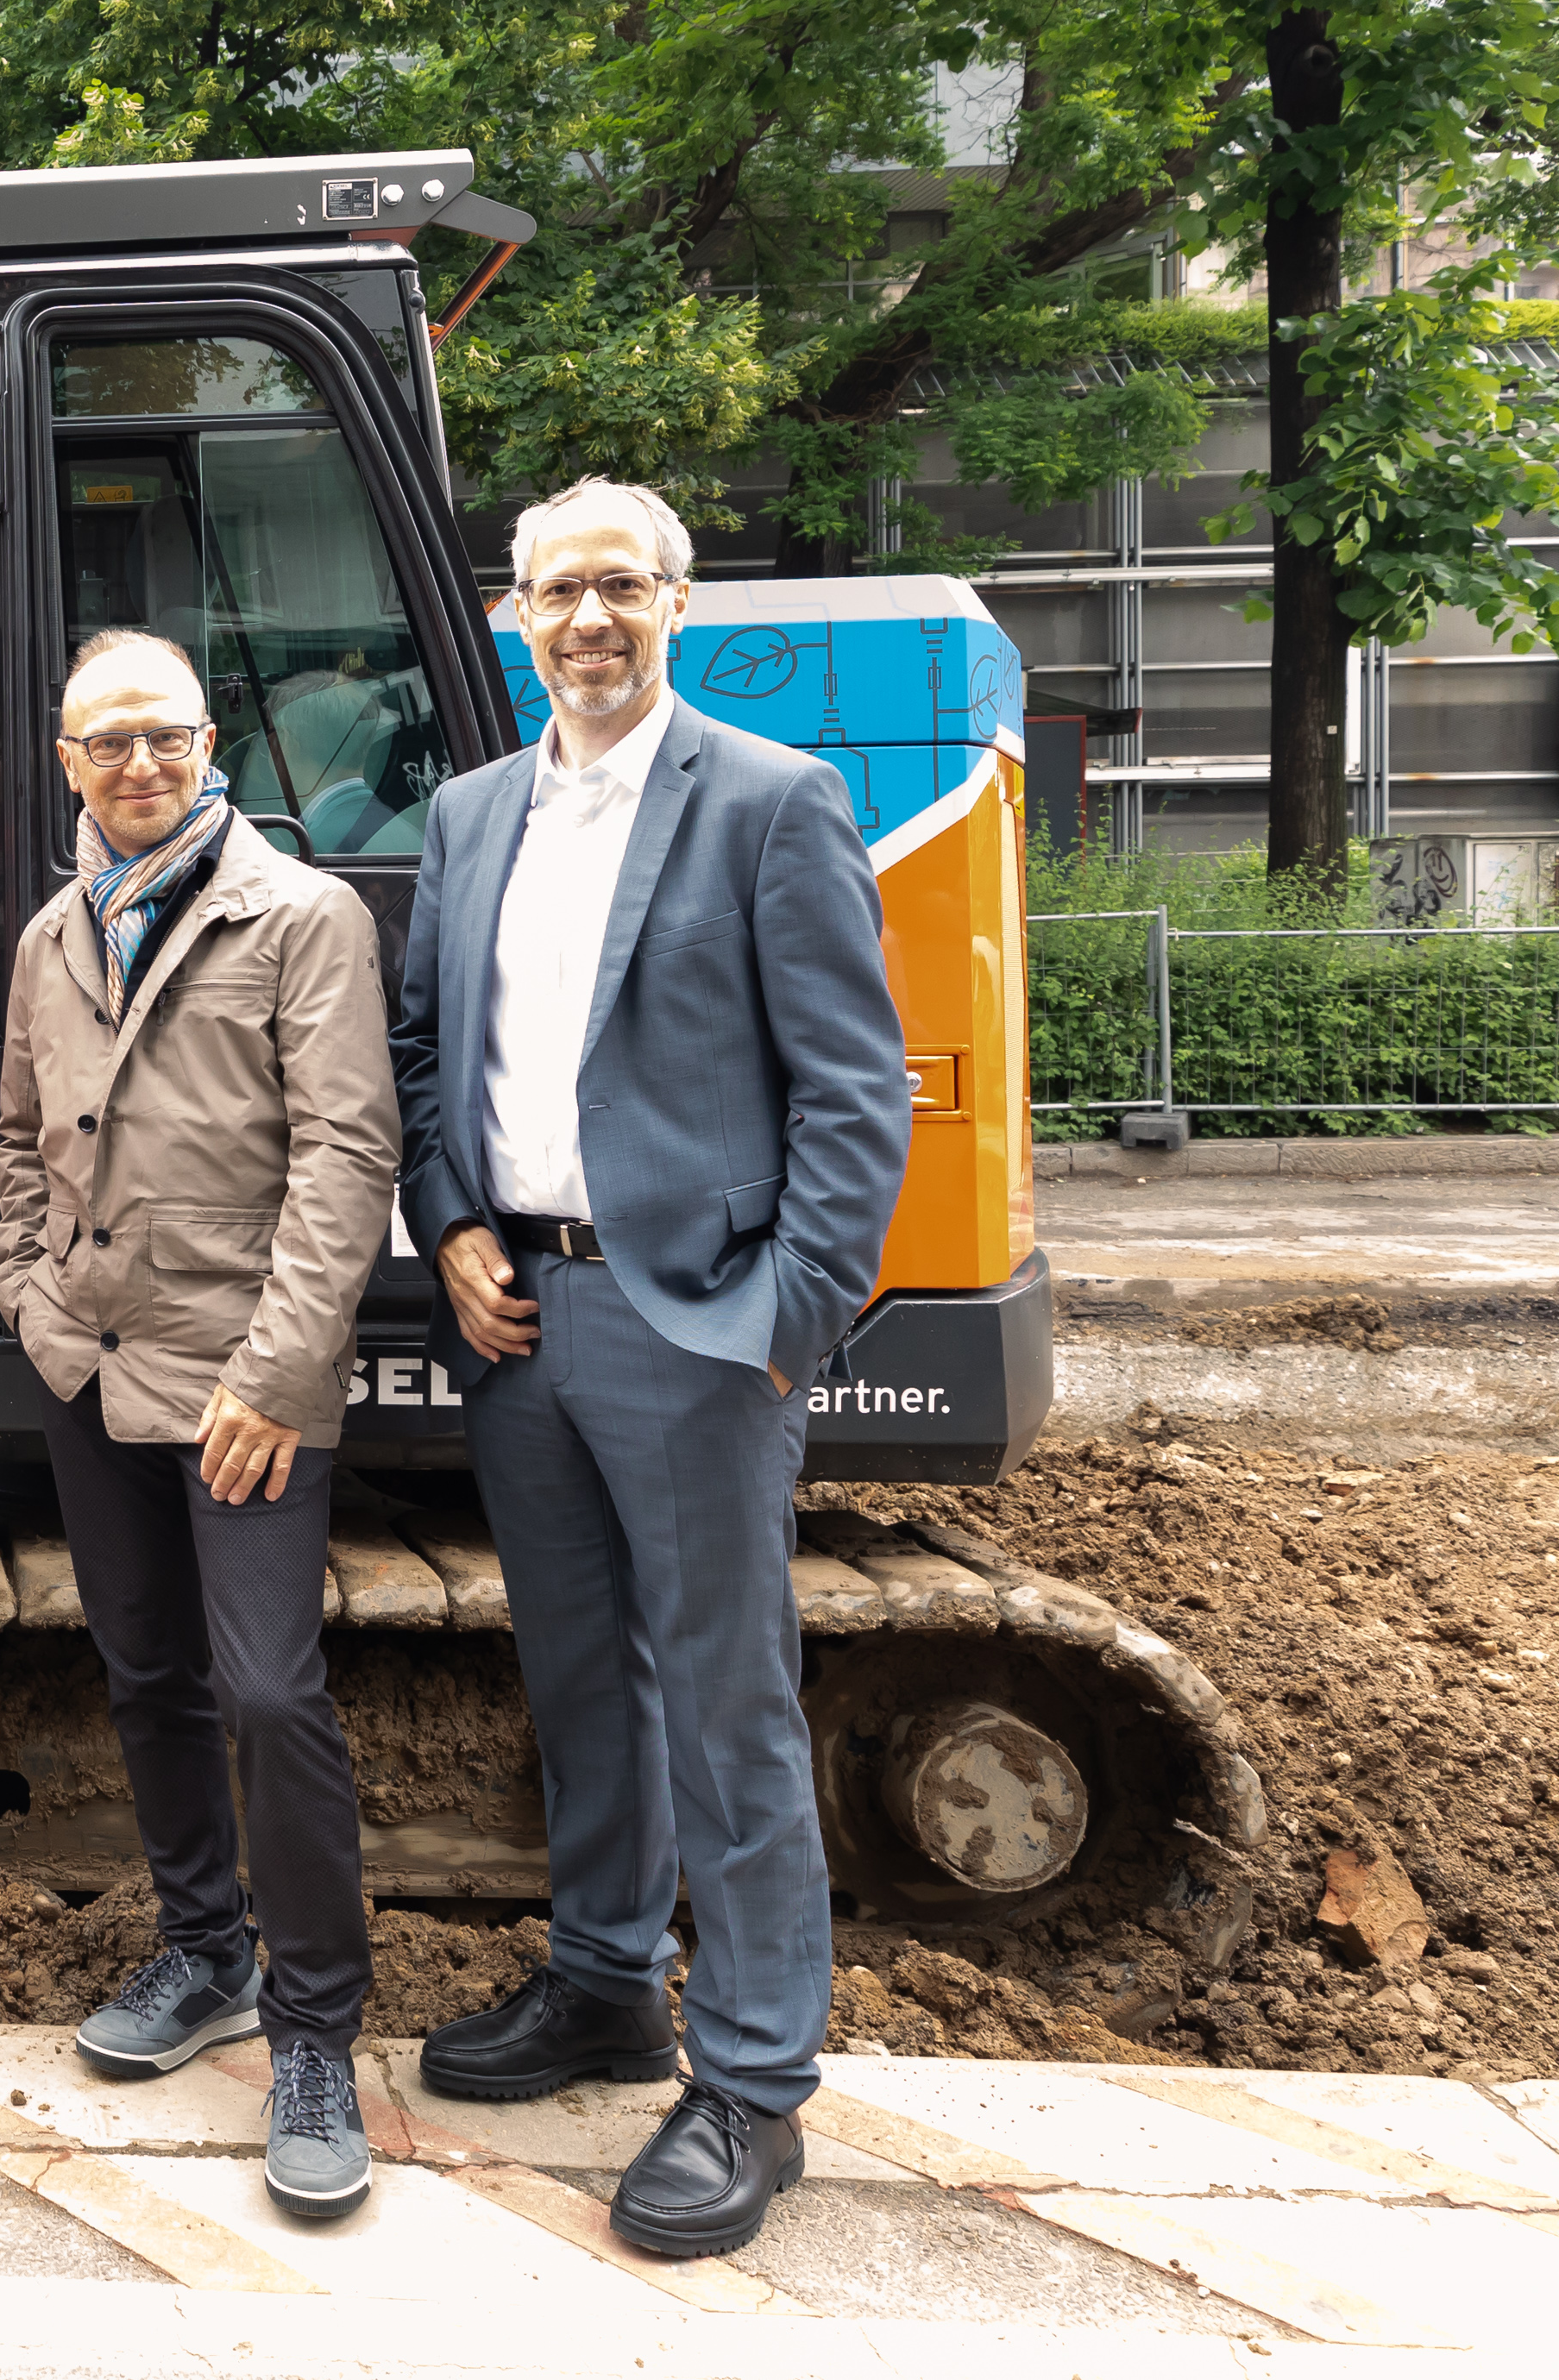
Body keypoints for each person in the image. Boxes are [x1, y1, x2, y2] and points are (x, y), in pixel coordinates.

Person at [388, 477, 913, 2259]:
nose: (587, 618)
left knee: (726, 1700)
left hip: (689, 1323)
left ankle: (755, 2078)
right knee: (577, 1681)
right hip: (518, 1312)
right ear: (514, 615)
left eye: (620, 586)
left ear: (674, 604)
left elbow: (855, 1091)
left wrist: (779, 1323)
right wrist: (448, 1212)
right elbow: (421, 1041)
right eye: (556, 591)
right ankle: (606, 1982)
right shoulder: (467, 816)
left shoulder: (769, 805)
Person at [0, 628, 396, 2220]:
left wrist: (276, 1380)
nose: (138, 764)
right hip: (91, 1371)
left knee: (267, 1690)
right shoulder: (47, 935)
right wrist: (30, 1304)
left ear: (207, 737)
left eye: (162, 735)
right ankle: (201, 1948)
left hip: (238, 1384)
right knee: (145, 1671)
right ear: (65, 760)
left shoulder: (300, 913)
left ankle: (312, 2031)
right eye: (107, 742)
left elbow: (343, 1157)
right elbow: (23, 1146)